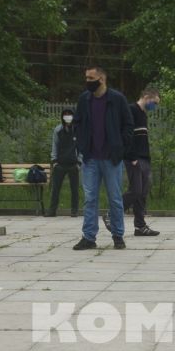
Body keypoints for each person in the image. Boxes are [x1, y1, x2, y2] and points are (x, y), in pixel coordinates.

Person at [69, 66, 135, 250]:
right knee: (90, 198)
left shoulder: (117, 99)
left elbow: (128, 125)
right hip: (90, 157)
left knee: (115, 198)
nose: (87, 81)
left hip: (111, 158)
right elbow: (78, 122)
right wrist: (81, 144)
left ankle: (118, 235)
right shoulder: (85, 99)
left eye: (91, 78)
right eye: (86, 78)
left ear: (102, 79)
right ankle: (89, 237)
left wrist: (120, 147)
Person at [124, 90, 160, 236]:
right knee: (135, 190)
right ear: (146, 97)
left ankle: (140, 226)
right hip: (134, 158)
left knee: (143, 193)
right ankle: (112, 213)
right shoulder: (131, 110)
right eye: (154, 102)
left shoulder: (143, 114)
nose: (155, 106)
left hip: (144, 158)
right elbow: (126, 135)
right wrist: (132, 157)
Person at [48, 107, 81, 216]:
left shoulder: (77, 130)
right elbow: (55, 145)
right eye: (65, 114)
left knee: (74, 190)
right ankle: (52, 210)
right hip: (60, 164)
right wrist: (54, 161)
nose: (67, 117)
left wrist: (79, 162)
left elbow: (81, 147)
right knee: (55, 189)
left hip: (73, 164)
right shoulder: (58, 130)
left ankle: (74, 210)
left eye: (69, 114)